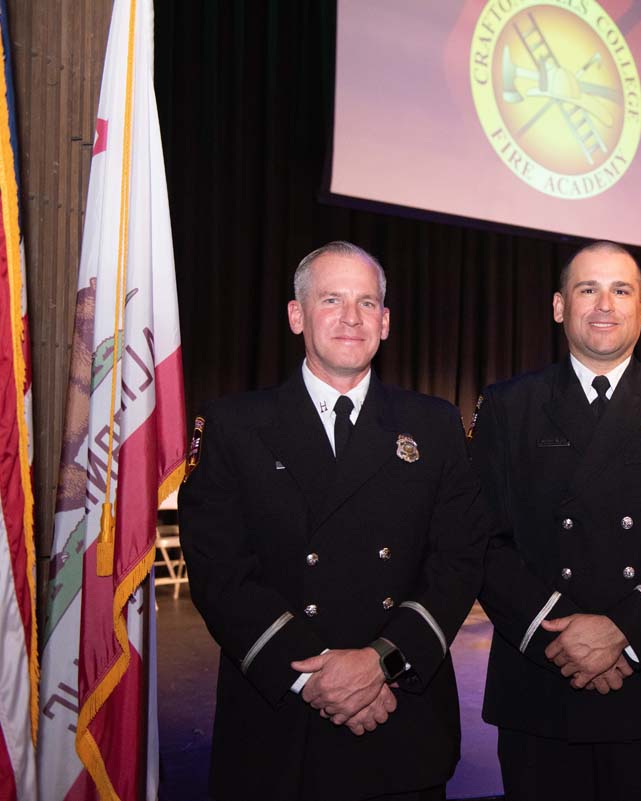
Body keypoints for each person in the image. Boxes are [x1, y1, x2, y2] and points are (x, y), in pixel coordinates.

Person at [179, 241, 488, 801]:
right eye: (331, 300)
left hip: (400, 714)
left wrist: (381, 662)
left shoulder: (434, 424)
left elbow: (460, 560)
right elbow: (219, 569)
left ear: (386, 322)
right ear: (297, 315)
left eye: (367, 303)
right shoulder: (234, 425)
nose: (351, 317)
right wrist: (313, 676)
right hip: (280, 721)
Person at [467, 241, 641, 801]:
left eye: (621, 290)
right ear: (558, 306)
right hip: (544, 685)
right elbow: (479, 540)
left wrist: (625, 630)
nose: (604, 304)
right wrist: (564, 635)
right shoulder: (507, 407)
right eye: (586, 289)